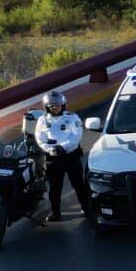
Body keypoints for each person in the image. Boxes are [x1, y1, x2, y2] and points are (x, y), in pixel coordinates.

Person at [33, 90, 90, 222]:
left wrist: (62, 147)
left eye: (58, 105)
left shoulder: (72, 118)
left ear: (63, 105)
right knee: (54, 188)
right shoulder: (42, 120)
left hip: (71, 156)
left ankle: (87, 209)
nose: (55, 108)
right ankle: (56, 213)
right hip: (53, 159)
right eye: (52, 106)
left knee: (78, 185)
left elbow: (76, 136)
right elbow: (39, 138)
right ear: (47, 107)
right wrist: (50, 149)